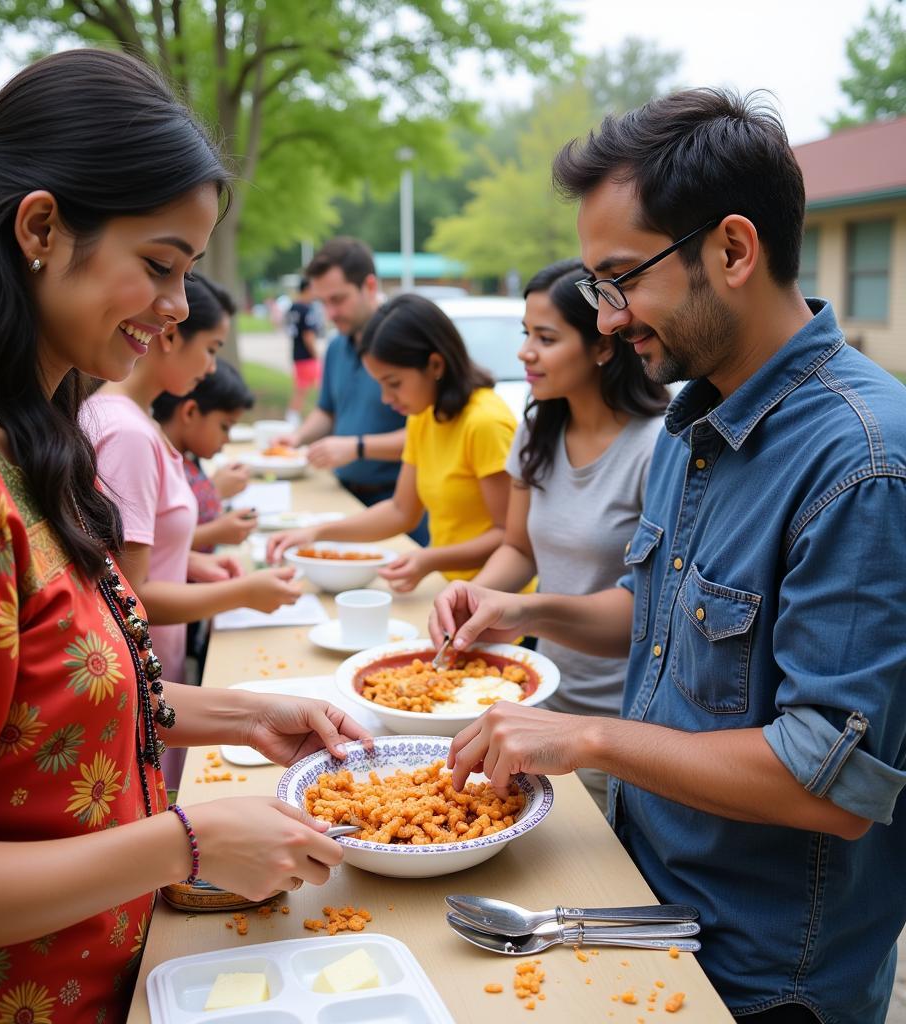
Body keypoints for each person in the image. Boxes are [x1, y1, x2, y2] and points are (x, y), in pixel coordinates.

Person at [0, 49, 368, 1024]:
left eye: (186, 273)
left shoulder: (19, 433)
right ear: (40, 228)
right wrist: (183, 842)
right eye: (158, 266)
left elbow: (48, 704)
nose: (179, 307)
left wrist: (237, 716)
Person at [430, 88, 906, 1024]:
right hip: (643, 900)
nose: (608, 320)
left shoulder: (863, 463)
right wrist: (526, 612)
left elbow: (831, 782)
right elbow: (661, 624)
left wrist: (588, 736)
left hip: (765, 972)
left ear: (733, 250)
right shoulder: (696, 421)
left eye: (621, 279)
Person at [470, 258, 668, 812]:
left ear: (604, 345)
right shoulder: (538, 425)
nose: (525, 352)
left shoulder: (658, 446)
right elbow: (518, 548)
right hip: (538, 701)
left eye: (546, 337)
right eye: (525, 334)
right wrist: (475, 600)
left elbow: (650, 605)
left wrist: (519, 609)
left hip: (618, 723)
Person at [83, 270, 302, 697]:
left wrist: (190, 562)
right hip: (142, 673)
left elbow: (122, 559)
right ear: (168, 335)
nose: (212, 366)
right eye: (211, 348)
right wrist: (243, 592)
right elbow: (131, 596)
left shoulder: (127, 419)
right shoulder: (128, 433)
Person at [269, 294, 518, 593]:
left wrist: (430, 559)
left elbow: (509, 536)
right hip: (446, 591)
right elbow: (402, 510)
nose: (387, 399)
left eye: (394, 383)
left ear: (435, 365)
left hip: (497, 601)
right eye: (381, 386)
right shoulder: (423, 415)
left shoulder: (485, 423)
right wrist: (316, 533)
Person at [276, 238, 428, 544]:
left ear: (369, 286)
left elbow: (431, 434)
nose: (330, 313)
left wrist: (357, 447)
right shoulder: (335, 346)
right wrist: (298, 438)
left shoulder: (409, 344)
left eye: (338, 299)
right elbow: (327, 410)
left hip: (402, 507)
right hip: (343, 497)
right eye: (323, 303)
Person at [152, 356, 259, 552]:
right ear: (190, 412)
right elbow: (152, 546)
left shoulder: (188, 459)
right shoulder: (155, 463)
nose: (227, 439)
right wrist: (215, 493)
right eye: (224, 427)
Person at [285, 276, 322, 424]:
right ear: (307, 289)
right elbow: (309, 336)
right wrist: (316, 355)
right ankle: (297, 419)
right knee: (318, 389)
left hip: (297, 353)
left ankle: (293, 418)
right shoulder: (307, 309)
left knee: (301, 390)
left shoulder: (293, 307)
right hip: (307, 356)